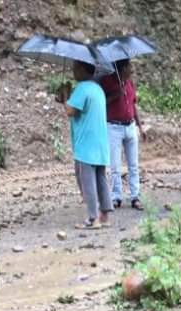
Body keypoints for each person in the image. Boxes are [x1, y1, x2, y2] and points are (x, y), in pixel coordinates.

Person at [62, 60, 112, 229]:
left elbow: (70, 111)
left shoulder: (81, 88)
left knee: (87, 181)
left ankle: (92, 218)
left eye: (75, 68)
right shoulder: (98, 89)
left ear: (83, 70)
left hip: (86, 145)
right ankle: (104, 215)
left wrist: (65, 97)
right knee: (101, 178)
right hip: (100, 143)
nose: (73, 71)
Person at [99, 59, 143, 210]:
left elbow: (133, 105)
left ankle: (135, 196)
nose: (131, 69)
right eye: (129, 66)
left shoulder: (130, 83)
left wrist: (139, 126)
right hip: (113, 127)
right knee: (115, 165)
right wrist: (116, 94)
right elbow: (101, 102)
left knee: (134, 164)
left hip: (130, 125)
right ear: (122, 68)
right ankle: (116, 196)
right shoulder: (107, 82)